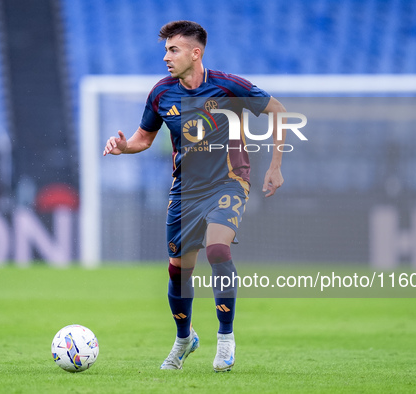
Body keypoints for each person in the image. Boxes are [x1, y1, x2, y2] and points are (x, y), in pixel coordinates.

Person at [103, 20, 286, 372]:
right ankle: (185, 339)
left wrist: (275, 166)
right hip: (185, 191)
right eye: (166, 50)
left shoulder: (228, 86)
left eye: (173, 50)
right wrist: (124, 147)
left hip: (229, 182)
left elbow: (277, 109)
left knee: (218, 249)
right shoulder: (161, 93)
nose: (166, 57)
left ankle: (226, 339)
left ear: (195, 53)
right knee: (178, 271)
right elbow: (143, 138)